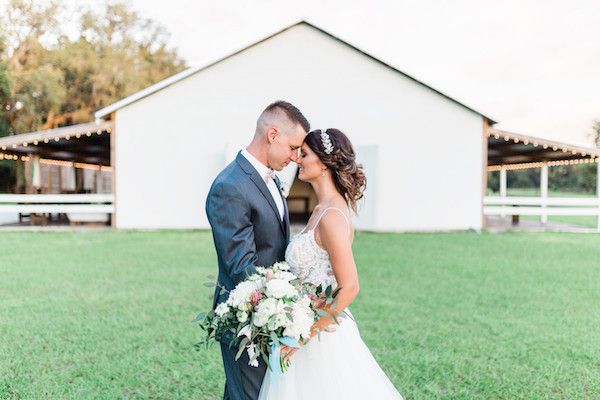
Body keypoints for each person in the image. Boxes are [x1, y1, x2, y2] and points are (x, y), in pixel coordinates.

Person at [258, 128, 403, 399]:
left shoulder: (332, 215)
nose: (298, 160)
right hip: (302, 322)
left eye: (304, 154)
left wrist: (303, 335)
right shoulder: (320, 209)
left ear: (324, 163)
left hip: (321, 335)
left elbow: (349, 287)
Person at [205, 100, 309, 400]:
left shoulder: (272, 179)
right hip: (246, 318)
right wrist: (286, 302)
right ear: (273, 134)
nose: (296, 157)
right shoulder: (230, 186)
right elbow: (241, 266)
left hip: (268, 315)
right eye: (293, 147)